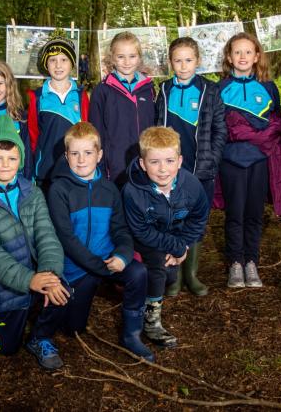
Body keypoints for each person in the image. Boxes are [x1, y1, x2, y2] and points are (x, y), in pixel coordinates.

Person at [0, 114, 71, 370]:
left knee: (65, 292)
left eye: (12, 158)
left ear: (20, 161)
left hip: (36, 274)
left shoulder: (32, 192)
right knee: (7, 349)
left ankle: (40, 337)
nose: (4, 165)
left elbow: (47, 235)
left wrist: (49, 274)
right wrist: (28, 280)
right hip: (4, 287)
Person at [47, 122, 153, 361]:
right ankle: (83, 297)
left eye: (88, 153)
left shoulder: (109, 189)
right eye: (74, 153)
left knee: (138, 273)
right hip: (77, 266)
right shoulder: (58, 189)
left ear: (100, 155)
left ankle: (132, 335)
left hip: (106, 258)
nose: (81, 160)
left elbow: (121, 229)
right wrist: (98, 266)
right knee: (73, 329)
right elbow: (67, 238)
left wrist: (123, 256)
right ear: (66, 156)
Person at [122, 126, 209, 347]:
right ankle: (152, 320)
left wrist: (184, 245)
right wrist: (175, 246)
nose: (163, 169)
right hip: (144, 237)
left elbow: (198, 218)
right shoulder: (132, 191)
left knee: (169, 275)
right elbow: (140, 230)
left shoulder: (192, 185)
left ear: (180, 161)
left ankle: (152, 290)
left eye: (169, 161)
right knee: (159, 269)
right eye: (154, 162)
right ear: (142, 163)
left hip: (175, 236)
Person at [155, 37, 226, 296]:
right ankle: (173, 277)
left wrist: (212, 158)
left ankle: (191, 274)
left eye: (188, 60)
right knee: (171, 219)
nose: (183, 66)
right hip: (168, 169)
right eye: (177, 60)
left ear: (198, 61)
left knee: (196, 219)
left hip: (200, 169)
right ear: (170, 62)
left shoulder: (210, 90)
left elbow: (220, 129)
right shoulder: (163, 90)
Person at [216, 33, 281, 289]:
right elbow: (220, 127)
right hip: (231, 161)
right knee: (235, 213)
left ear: (257, 56)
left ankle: (251, 262)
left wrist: (260, 136)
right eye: (237, 52)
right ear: (229, 57)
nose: (243, 57)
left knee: (255, 213)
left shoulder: (268, 87)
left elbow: (277, 124)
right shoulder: (220, 88)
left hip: (260, 161)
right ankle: (235, 263)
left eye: (248, 52)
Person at [89, 31, 156, 187]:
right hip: (114, 164)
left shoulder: (148, 89)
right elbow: (95, 131)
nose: (127, 62)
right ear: (112, 58)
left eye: (132, 56)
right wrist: (100, 161)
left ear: (139, 57)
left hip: (145, 160)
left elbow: (154, 126)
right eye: (121, 57)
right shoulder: (102, 90)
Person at [27, 33, 89, 193]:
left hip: (76, 170)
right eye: (53, 60)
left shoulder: (81, 96)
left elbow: (88, 133)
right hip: (46, 172)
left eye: (64, 60)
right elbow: (33, 136)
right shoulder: (37, 97)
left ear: (72, 64)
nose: (58, 65)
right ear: (46, 64)